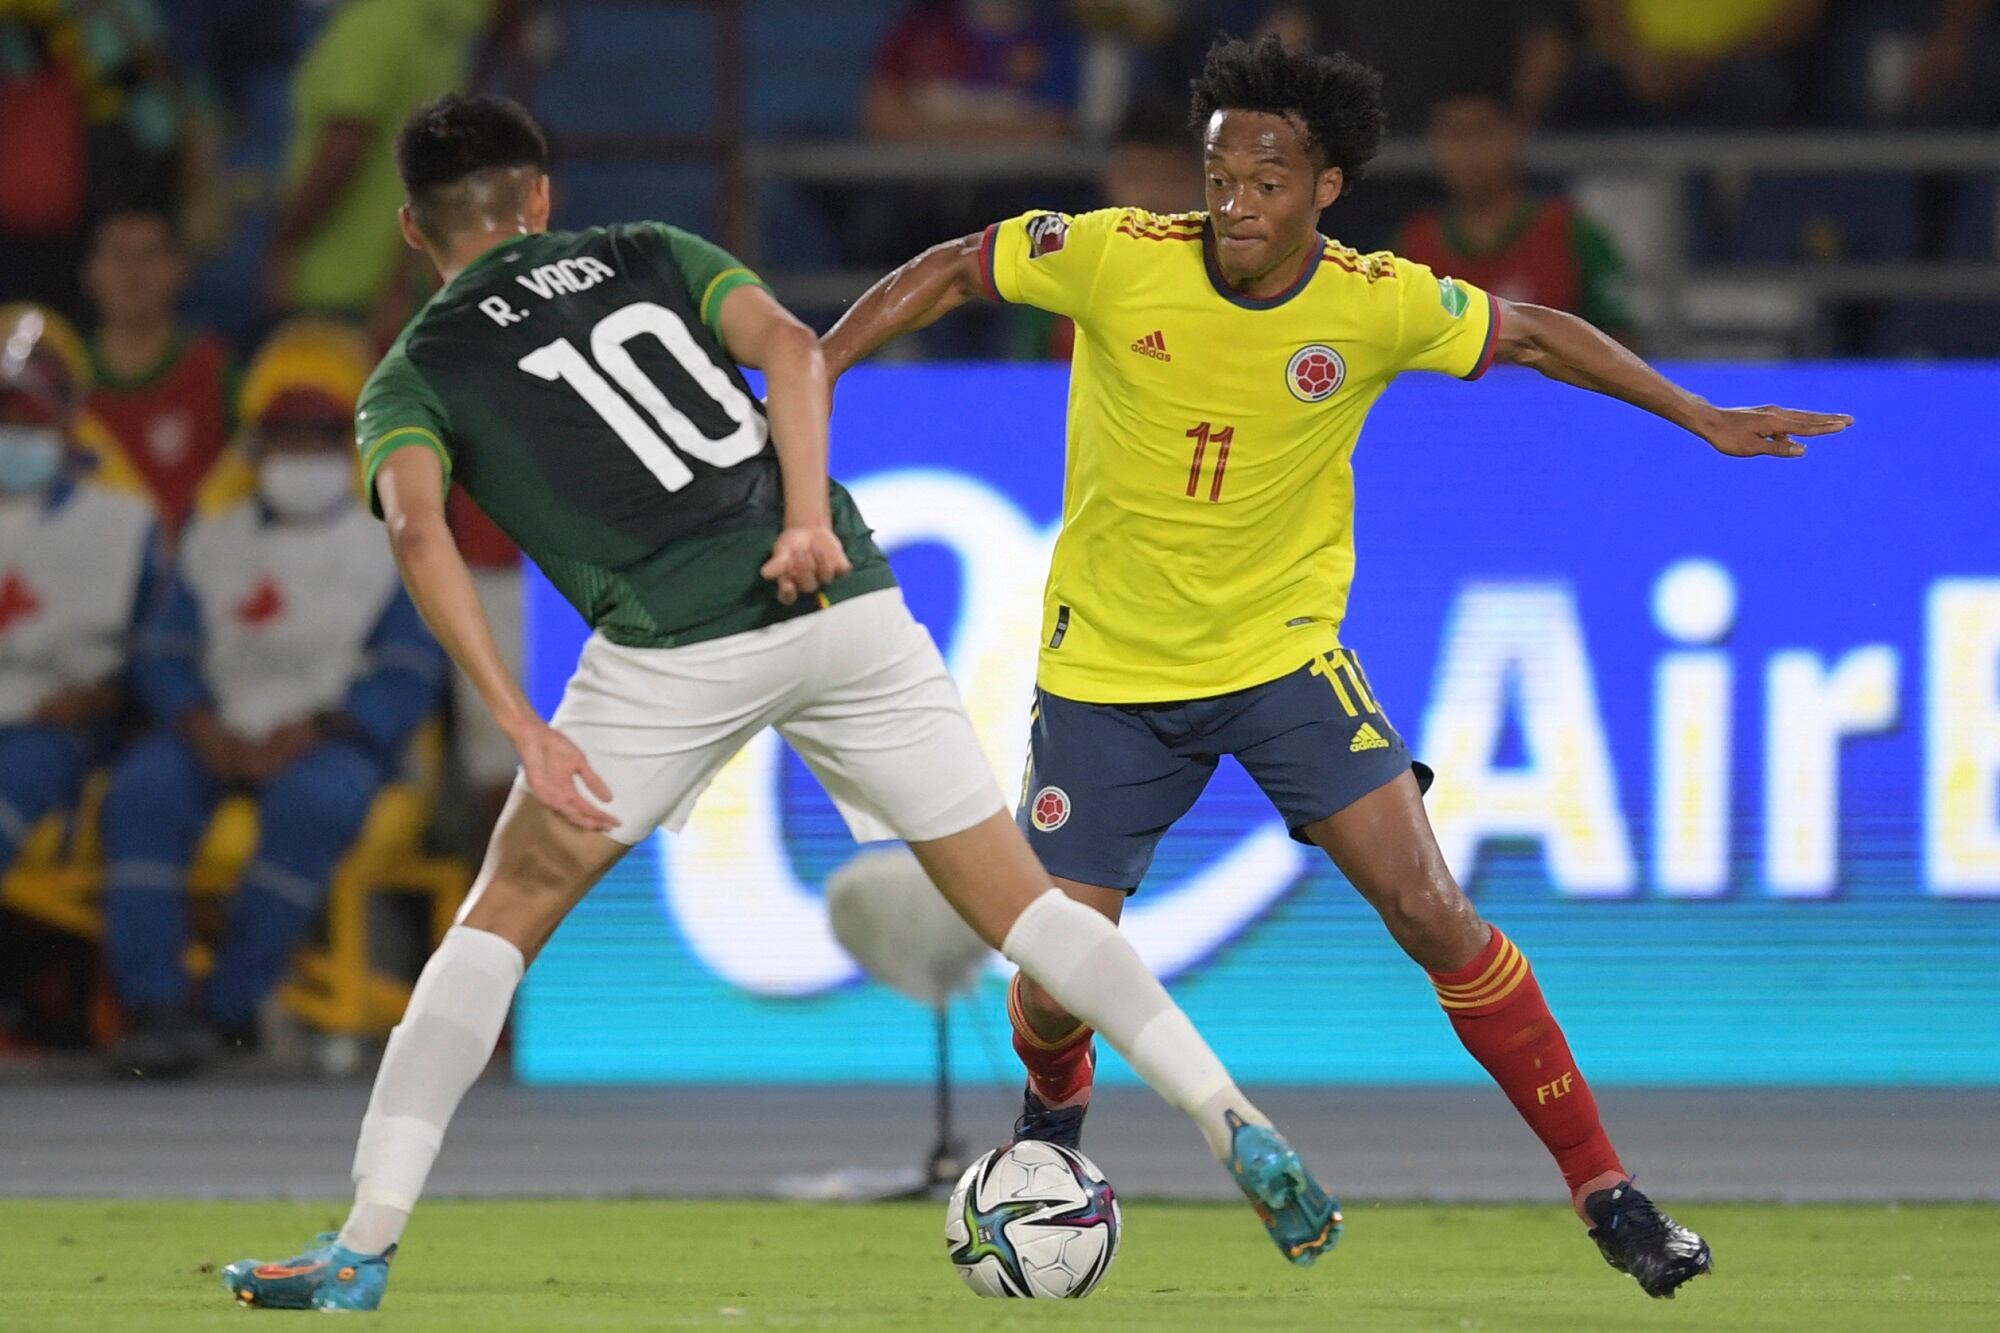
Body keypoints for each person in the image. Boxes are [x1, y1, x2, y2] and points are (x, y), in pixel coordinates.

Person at [221, 93, 1337, 1313]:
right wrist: (805, 518)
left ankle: (364, 1244)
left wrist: (518, 721)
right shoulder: (648, 248)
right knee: (1023, 905)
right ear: (539, 196)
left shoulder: (411, 371)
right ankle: (1232, 1118)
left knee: (503, 916)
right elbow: (799, 350)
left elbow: (420, 528)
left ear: (410, 228)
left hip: (670, 644)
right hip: (841, 599)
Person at [823, 34, 1853, 1300]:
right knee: (1051, 977)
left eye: (1265, 180)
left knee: (1430, 909)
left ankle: (1607, 1191)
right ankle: (1052, 1127)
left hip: (1281, 662)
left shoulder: (1375, 300)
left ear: (1324, 189)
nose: (1233, 202)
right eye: (1218, 175)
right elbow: (947, 270)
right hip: (1105, 678)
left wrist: (1696, 414)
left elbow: (1531, 334)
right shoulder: (1112, 256)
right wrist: (817, 365)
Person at [100, 319, 446, 1078]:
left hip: (333, 738)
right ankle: (154, 1007)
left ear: (350, 446)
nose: (302, 456)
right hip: (211, 728)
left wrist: (318, 727)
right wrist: (195, 720)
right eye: (285, 438)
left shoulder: (391, 542)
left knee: (309, 808)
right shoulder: (213, 534)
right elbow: (163, 650)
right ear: (257, 448)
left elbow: (407, 673)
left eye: (321, 439)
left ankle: (223, 1009)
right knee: (141, 792)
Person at [0, 304, 158, 882]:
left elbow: (152, 654)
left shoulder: (125, 524)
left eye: (34, 420)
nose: (16, 434)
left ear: (69, 422)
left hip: (55, 732)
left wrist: (101, 698)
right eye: (6, 417)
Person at [266, 0, 492, 334]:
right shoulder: (440, 29)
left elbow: (343, 148)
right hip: (397, 282)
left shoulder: (369, 29)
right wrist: (406, 272)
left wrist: (284, 241)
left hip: (329, 282)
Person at [1397, 91, 1632, 341]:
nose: (1468, 150)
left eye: (1481, 132)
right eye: (1454, 134)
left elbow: (1620, 343)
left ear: (1514, 136)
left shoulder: (1572, 234)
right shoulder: (1411, 245)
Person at [84, 207, 237, 542]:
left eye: (149, 255)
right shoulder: (64, 380)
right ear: (91, 271)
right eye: (117, 255)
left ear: (179, 270)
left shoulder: (217, 372)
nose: (132, 272)